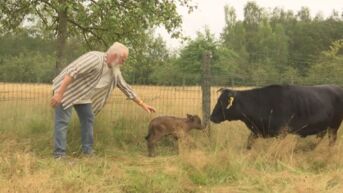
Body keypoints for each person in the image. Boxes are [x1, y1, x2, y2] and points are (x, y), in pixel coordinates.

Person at [51, 42, 156, 158]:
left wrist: (142, 104)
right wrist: (59, 93)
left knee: (88, 119)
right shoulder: (94, 58)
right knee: (63, 122)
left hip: (83, 95)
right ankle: (59, 155)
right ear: (114, 55)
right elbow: (72, 73)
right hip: (67, 90)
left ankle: (88, 152)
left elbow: (125, 87)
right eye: (123, 59)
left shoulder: (114, 69)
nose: (123, 62)